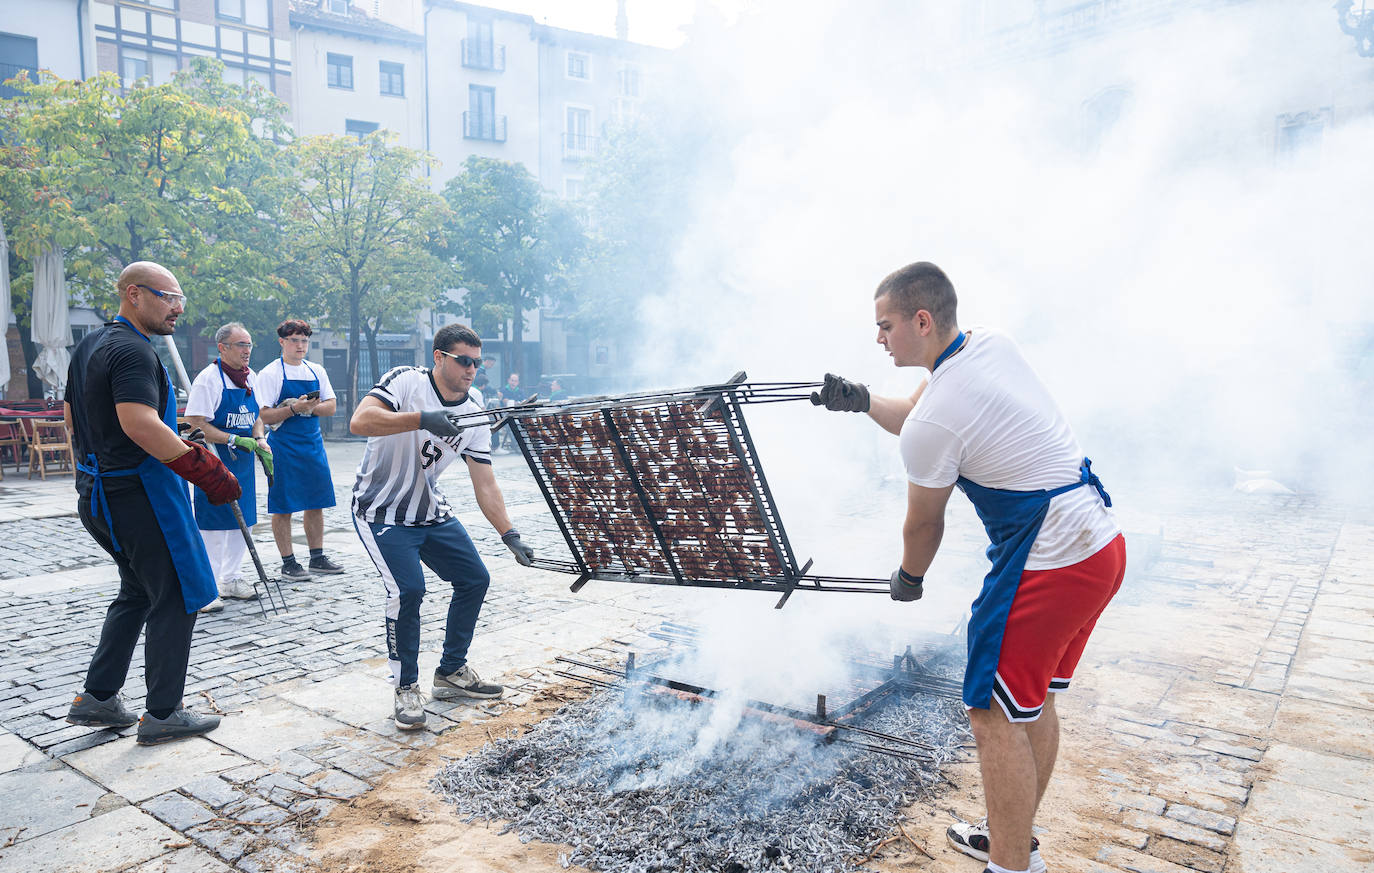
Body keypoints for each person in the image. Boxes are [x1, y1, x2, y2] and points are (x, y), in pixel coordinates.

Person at [816, 262, 1125, 873]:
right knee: (1031, 702)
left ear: (922, 320)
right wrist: (860, 402)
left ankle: (1010, 864)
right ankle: (1011, 836)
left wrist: (909, 579)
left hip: (1051, 558)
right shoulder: (988, 346)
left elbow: (924, 525)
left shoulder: (936, 419)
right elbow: (917, 416)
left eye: (886, 326)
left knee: (990, 711)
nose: (879, 339)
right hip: (1101, 544)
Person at [63, 261, 240, 745]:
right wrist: (201, 469)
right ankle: (163, 711)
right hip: (135, 495)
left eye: (181, 298)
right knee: (177, 594)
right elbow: (138, 422)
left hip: (98, 493)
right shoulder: (131, 350)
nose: (178, 307)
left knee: (139, 590)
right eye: (168, 296)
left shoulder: (90, 344)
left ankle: (97, 698)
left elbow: (71, 417)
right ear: (134, 294)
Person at [349, 323, 536, 731]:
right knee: (408, 590)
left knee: (474, 579)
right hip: (380, 511)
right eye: (463, 360)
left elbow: (485, 482)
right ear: (439, 357)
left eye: (477, 362)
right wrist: (422, 419)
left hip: (429, 511)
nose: (472, 369)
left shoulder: (475, 412)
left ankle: (450, 672)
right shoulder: (405, 382)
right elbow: (360, 422)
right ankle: (405, 686)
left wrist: (510, 534)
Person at [184, 322, 273, 612]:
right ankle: (206, 585)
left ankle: (232, 578)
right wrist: (233, 438)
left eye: (249, 345)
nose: (247, 351)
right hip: (213, 460)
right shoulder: (208, 380)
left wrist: (258, 438)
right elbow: (195, 423)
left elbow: (256, 413)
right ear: (222, 348)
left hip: (244, 462)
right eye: (240, 345)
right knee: (212, 522)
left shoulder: (252, 378)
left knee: (242, 520)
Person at [256, 319, 344, 581]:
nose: (300, 345)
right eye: (294, 340)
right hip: (283, 445)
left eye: (304, 340)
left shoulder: (316, 370)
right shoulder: (270, 373)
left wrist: (309, 408)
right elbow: (265, 415)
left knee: (316, 501)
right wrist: (294, 408)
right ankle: (288, 562)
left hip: (312, 443)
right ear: (282, 342)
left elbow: (331, 407)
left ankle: (317, 557)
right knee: (283, 504)